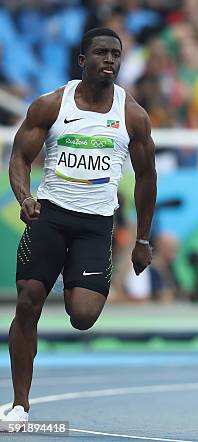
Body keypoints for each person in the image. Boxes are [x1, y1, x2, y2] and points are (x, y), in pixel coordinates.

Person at [2, 27, 157, 427]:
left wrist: (142, 238)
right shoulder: (51, 105)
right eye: (102, 53)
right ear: (82, 60)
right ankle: (20, 403)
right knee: (27, 301)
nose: (110, 60)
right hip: (49, 217)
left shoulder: (132, 115)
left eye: (116, 55)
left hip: (95, 226)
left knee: (83, 315)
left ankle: (75, 291)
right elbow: (19, 157)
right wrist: (25, 199)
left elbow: (147, 177)